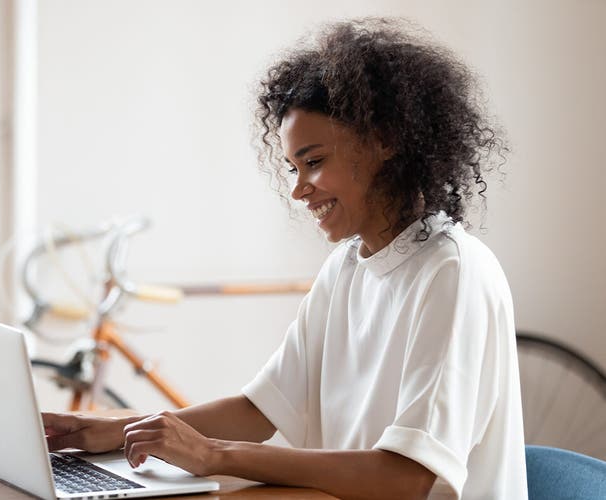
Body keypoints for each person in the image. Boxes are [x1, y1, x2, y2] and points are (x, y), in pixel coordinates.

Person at [43, 18, 527, 499]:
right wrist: (121, 430)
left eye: (314, 162)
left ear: (385, 141)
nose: (298, 189)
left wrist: (214, 455)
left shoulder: (452, 272)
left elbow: (404, 478)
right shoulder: (349, 266)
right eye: (293, 167)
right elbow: (261, 410)